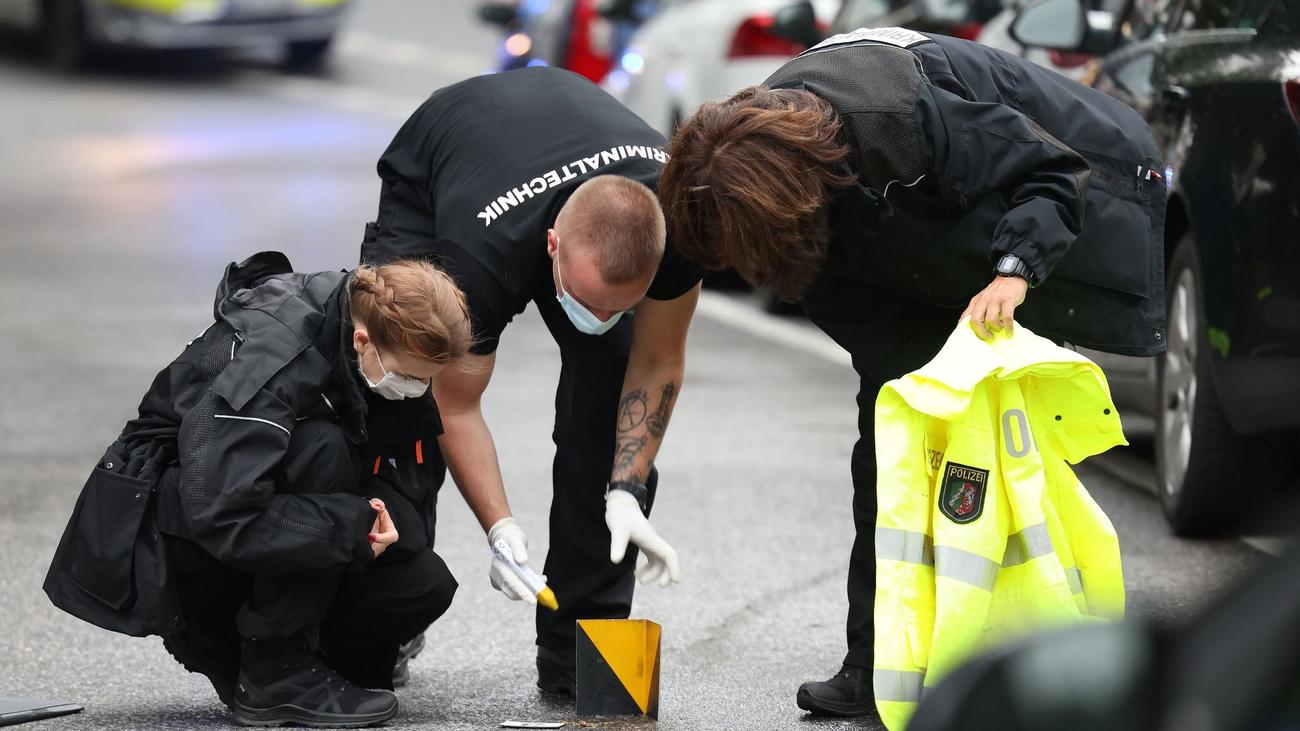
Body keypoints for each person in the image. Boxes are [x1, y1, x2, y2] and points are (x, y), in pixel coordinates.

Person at [656, 27, 1165, 718]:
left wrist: (1016, 270)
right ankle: (872, 666)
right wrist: (914, 393)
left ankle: (1040, 654)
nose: (744, 270)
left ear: (787, 199)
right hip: (900, 257)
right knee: (892, 453)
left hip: (1045, 207)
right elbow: (829, 289)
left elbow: (1048, 171)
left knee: (1005, 460)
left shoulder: (897, 116)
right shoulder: (757, 168)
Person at [360, 66, 702, 694]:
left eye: (619, 307)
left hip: (565, 139)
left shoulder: (680, 224)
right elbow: (454, 405)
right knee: (397, 387)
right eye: (586, 302)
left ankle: (582, 652)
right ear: (551, 248)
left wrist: (625, 490)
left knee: (610, 394)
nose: (599, 321)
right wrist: (500, 528)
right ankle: (383, 620)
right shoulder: (473, 266)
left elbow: (657, 363)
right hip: (452, 150)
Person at [47, 251, 481, 728]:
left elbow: (401, 479)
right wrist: (351, 529)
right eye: (411, 377)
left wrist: (380, 520)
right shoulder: (277, 357)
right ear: (363, 341)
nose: (416, 388)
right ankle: (272, 669)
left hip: (254, 510)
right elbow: (221, 512)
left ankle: (305, 664)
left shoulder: (371, 333)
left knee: (421, 582)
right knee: (324, 448)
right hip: (170, 529)